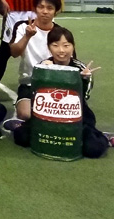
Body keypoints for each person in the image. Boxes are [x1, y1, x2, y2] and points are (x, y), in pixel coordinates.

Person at [11, 25, 109, 158]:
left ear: (73, 47)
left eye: (66, 45)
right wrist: (47, 72)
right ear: (49, 48)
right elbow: (37, 94)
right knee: (21, 137)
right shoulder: (43, 65)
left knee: (93, 149)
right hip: (50, 114)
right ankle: (20, 125)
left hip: (76, 116)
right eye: (55, 45)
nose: (61, 50)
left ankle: (103, 137)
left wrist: (83, 80)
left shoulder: (80, 68)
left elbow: (84, 97)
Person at [8, 0, 62, 123]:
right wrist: (27, 36)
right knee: (25, 115)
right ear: (34, 9)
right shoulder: (22, 27)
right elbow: (14, 53)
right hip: (29, 83)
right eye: (41, 7)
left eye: (49, 8)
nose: (45, 11)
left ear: (56, 12)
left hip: (54, 83)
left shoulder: (60, 33)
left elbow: (69, 61)